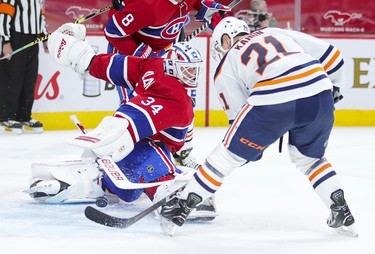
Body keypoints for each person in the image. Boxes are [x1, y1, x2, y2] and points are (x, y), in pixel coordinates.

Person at [158, 16, 356, 237]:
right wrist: (335, 88)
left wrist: (244, 152)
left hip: (273, 98)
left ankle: (181, 206)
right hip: (320, 91)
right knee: (310, 159)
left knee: (226, 156)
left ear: (225, 40)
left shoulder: (226, 64)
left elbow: (238, 122)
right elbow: (334, 57)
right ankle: (339, 206)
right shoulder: (276, 32)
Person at [25, 23, 216, 220]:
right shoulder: (165, 81)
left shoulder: (165, 79)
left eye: (194, 70)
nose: (193, 76)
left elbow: (124, 79)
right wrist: (85, 59)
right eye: (187, 70)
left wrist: (83, 58)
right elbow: (127, 85)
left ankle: (80, 182)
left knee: (136, 172)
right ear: (171, 66)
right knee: (141, 172)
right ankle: (165, 194)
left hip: (145, 145)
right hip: (140, 145)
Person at [106, 0, 231, 168]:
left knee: (183, 101)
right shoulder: (147, 5)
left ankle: (181, 153)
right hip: (132, 57)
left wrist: (205, 8)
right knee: (137, 107)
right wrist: (145, 57)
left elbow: (194, 4)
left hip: (165, 54)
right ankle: (125, 159)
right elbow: (113, 31)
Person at [0, 0, 49, 134]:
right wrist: (5, 41)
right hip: (15, 38)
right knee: (12, 79)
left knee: (29, 79)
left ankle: (24, 116)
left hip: (33, 40)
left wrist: (44, 39)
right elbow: (3, 16)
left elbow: (41, 17)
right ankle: (6, 116)